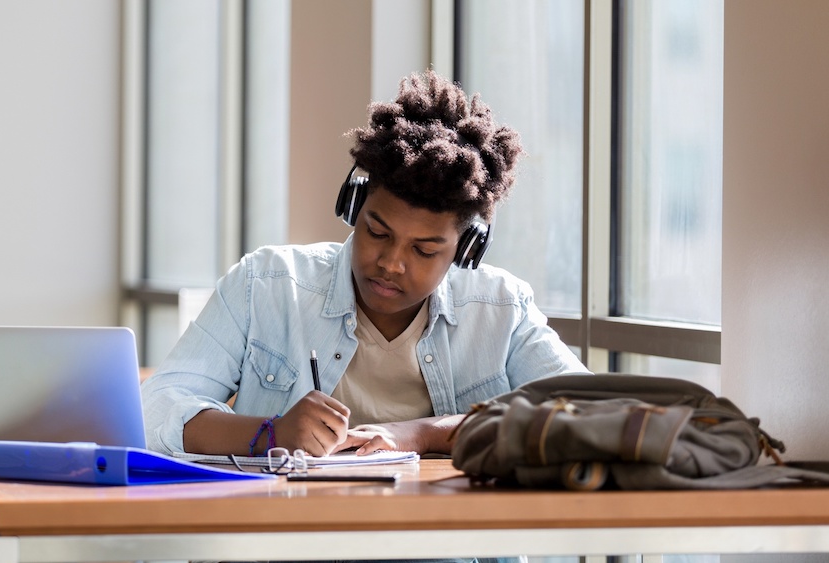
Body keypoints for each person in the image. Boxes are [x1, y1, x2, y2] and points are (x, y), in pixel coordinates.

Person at [141, 69, 589, 462]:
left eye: (425, 250)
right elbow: (155, 409)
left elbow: (586, 415)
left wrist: (423, 434)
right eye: (377, 232)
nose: (391, 263)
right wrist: (269, 433)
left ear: (466, 248)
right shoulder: (267, 284)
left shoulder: (501, 310)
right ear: (354, 206)